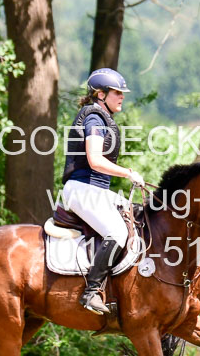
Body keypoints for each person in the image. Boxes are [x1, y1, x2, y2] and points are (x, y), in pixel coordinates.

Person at [61, 68, 145, 315]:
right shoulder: (94, 120)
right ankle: (91, 292)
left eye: (122, 93)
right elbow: (95, 161)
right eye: (117, 92)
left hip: (96, 191)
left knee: (138, 216)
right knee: (118, 232)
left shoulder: (104, 118)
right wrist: (128, 172)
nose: (122, 97)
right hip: (80, 190)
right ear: (101, 94)